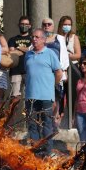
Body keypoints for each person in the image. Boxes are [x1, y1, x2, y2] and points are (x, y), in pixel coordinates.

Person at [24, 28, 63, 156]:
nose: (33, 39)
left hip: (46, 96)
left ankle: (47, 152)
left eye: (37, 37)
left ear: (44, 40)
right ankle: (36, 152)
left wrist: (52, 86)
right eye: (32, 37)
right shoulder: (28, 54)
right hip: (30, 96)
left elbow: (59, 73)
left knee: (47, 125)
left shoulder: (50, 53)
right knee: (32, 125)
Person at [41, 18, 69, 128]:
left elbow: (64, 56)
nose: (47, 26)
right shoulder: (39, 38)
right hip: (43, 75)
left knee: (55, 100)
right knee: (44, 100)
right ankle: (45, 123)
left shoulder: (59, 38)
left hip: (56, 73)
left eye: (49, 24)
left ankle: (52, 122)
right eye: (44, 24)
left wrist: (64, 71)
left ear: (53, 26)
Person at [8, 16, 32, 101]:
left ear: (30, 26)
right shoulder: (12, 39)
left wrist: (18, 48)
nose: (24, 26)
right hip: (15, 70)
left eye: (26, 24)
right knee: (15, 97)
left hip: (29, 71)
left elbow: (33, 51)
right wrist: (27, 49)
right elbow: (11, 52)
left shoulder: (33, 39)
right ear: (18, 25)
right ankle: (13, 114)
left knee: (29, 97)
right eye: (22, 24)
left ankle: (27, 114)